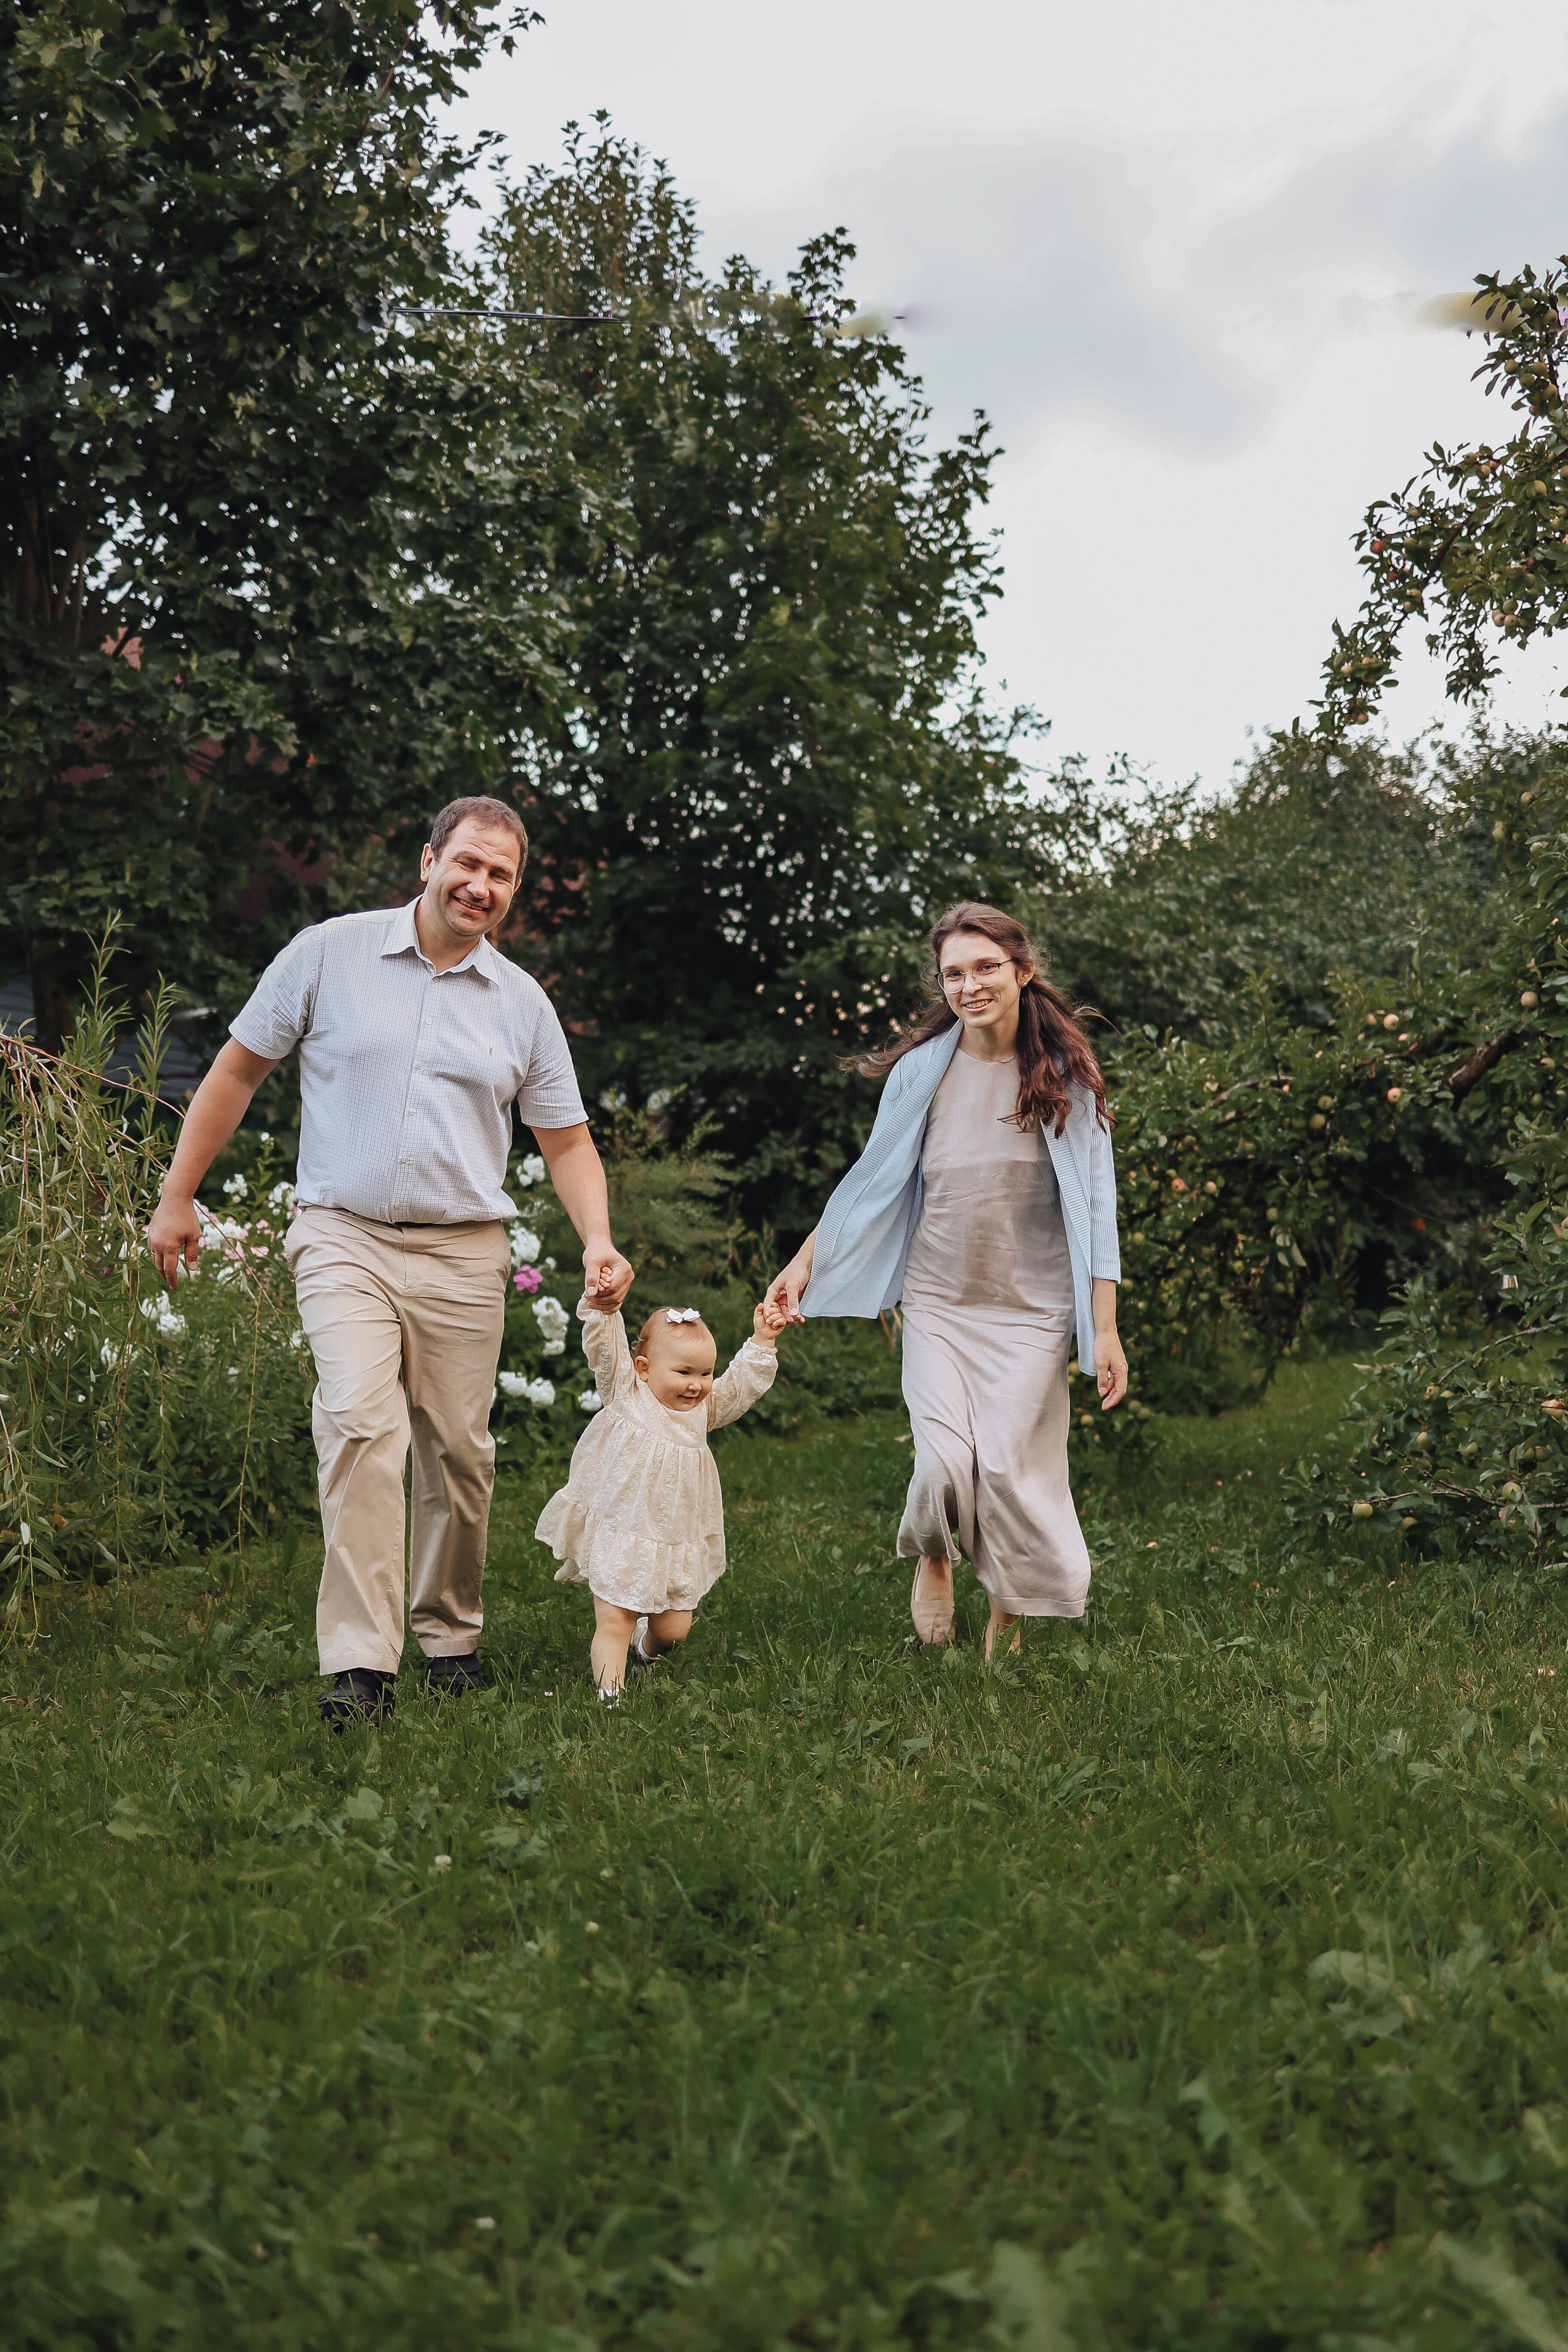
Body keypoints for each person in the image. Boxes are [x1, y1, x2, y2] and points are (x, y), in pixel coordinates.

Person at [145, 795, 635, 1727]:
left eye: (501, 875)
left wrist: (599, 1239)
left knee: (459, 1451)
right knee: (363, 1427)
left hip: (464, 1249)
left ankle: (449, 1637)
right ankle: (362, 1665)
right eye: (468, 864)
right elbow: (237, 1070)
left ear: (514, 890)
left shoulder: (522, 1003)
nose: (480, 886)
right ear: (427, 860)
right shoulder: (327, 953)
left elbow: (565, 1140)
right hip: (343, 1234)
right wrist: (178, 1197)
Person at [763, 902, 1126, 1657]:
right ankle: (933, 1553)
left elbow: (1097, 1216)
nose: (970, 985)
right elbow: (868, 1185)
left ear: (1022, 972)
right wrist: (801, 1266)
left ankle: (1007, 1610)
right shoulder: (921, 1074)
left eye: (986, 967)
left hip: (1030, 1310)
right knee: (940, 1463)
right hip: (938, 1301)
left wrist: (1108, 1328)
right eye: (954, 973)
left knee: (1006, 1468)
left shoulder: (1066, 1081)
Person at [536, 1300, 781, 1699]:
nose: (696, 1384)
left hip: (673, 1538)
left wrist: (763, 1339)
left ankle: (646, 1649)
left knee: (673, 1631)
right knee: (616, 1620)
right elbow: (606, 1345)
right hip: (623, 1530)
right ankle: (610, 1704)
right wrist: (604, 1306)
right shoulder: (625, 1391)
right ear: (644, 1368)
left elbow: (739, 1387)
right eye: (684, 1372)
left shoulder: (704, 1409)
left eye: (706, 1373)